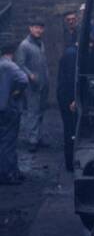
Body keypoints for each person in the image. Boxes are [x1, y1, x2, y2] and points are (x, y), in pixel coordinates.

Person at [15, 20, 49, 151]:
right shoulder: (24, 45)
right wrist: (30, 75)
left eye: (41, 28)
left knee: (40, 111)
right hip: (31, 85)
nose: (38, 30)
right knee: (32, 112)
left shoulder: (40, 43)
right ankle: (32, 140)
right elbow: (20, 64)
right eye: (36, 28)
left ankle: (38, 137)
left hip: (43, 83)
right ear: (30, 28)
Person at [0, 43, 30, 184]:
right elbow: (24, 80)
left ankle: (9, 170)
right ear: (12, 52)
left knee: (3, 141)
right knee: (9, 142)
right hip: (9, 109)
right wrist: (15, 93)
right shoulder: (10, 66)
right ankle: (9, 174)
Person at [57, 40, 77, 171]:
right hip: (68, 99)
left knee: (70, 130)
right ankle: (70, 163)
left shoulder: (72, 52)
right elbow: (70, 79)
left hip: (65, 97)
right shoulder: (72, 55)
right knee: (70, 130)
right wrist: (73, 99)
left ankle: (70, 163)